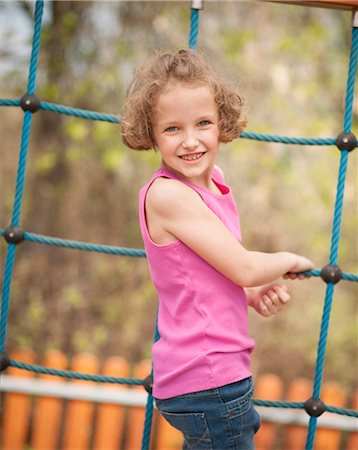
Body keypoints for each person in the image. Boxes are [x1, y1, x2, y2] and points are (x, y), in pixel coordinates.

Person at [121, 49, 314, 450]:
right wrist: (289, 261)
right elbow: (242, 265)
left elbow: (206, 272)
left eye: (203, 123)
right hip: (208, 379)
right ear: (151, 133)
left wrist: (250, 293)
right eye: (172, 129)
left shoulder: (214, 184)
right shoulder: (167, 195)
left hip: (212, 375)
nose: (190, 141)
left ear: (222, 123)